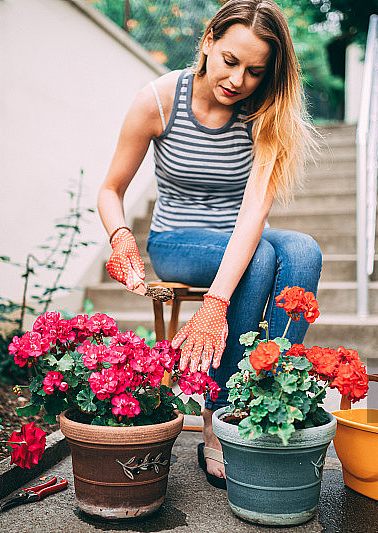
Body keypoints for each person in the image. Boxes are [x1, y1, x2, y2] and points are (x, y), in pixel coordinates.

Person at [97, 0, 321, 489]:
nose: (238, 80)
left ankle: (271, 397)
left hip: (236, 235)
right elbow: (110, 189)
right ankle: (221, 418)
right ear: (207, 42)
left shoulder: (263, 112)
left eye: (255, 71)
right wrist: (121, 239)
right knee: (258, 259)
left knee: (303, 250)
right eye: (230, 60)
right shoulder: (157, 101)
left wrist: (215, 305)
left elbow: (254, 215)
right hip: (176, 241)